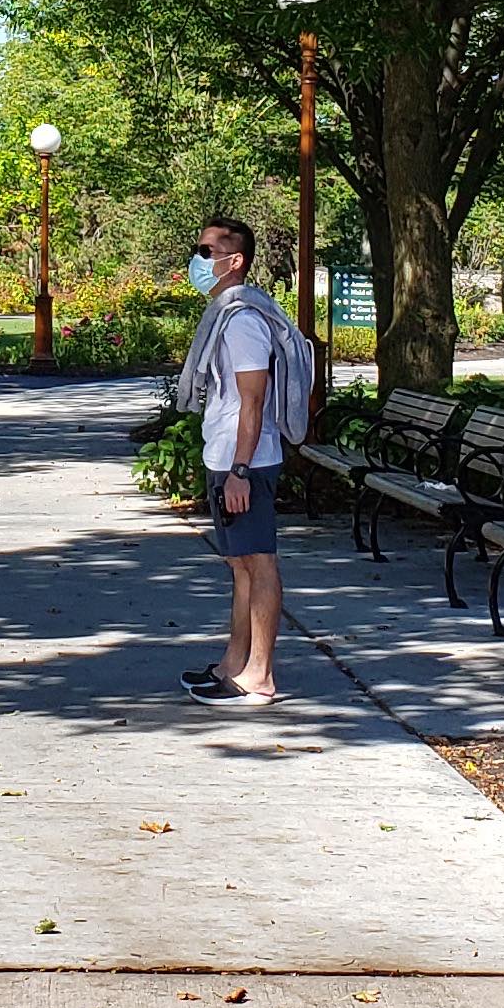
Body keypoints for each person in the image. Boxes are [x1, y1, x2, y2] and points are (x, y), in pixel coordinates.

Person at [174, 216, 308, 706]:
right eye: (199, 249)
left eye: (208, 252)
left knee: (259, 562)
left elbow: (253, 402)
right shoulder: (224, 317)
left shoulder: (244, 323)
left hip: (246, 463)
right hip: (226, 458)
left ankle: (261, 675)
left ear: (235, 262)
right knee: (240, 565)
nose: (199, 260)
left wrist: (241, 471)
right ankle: (234, 663)